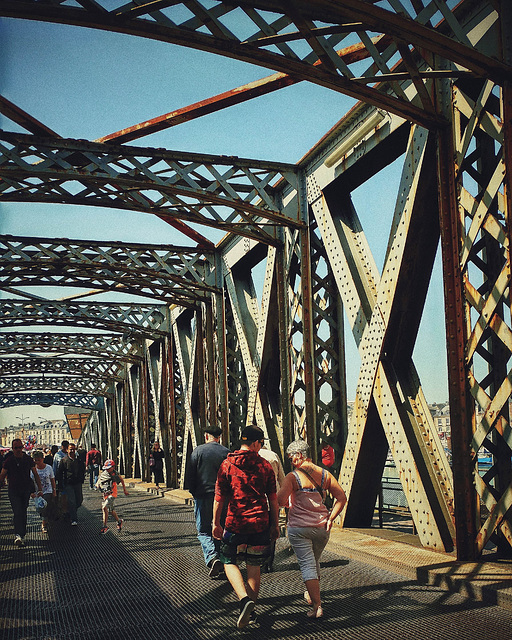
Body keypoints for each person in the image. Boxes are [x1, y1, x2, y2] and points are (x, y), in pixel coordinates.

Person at [213, 425, 279, 629]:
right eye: (261, 443)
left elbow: (219, 498)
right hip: (259, 523)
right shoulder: (265, 466)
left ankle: (243, 600)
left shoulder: (227, 465)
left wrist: (215, 523)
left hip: (235, 523)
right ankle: (251, 611)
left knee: (228, 561)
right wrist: (275, 524)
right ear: (256, 443)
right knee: (254, 566)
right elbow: (273, 499)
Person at [277, 439, 347, 620]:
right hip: (322, 527)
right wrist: (331, 518)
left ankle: (317, 605)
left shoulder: (292, 477)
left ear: (300, 455)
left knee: (307, 564)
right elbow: (341, 498)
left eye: (292, 458)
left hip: (299, 528)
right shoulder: (325, 474)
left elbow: (279, 501)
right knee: (314, 560)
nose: (291, 461)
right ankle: (310, 593)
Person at [185, 426, 229, 578]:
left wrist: (193, 491)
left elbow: (190, 475)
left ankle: (212, 556)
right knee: (220, 528)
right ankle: (221, 559)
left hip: (203, 495)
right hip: (222, 497)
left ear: (206, 436)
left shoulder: (198, 451)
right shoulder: (227, 452)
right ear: (219, 437)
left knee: (203, 529)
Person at [0, 438, 44, 547]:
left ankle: (22, 534)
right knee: (17, 511)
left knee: (23, 511)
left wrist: (40, 489)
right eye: (16, 448)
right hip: (13, 490)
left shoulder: (28, 459)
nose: (18, 450)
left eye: (20, 447)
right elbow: (2, 475)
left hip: (25, 490)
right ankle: (18, 535)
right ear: (12, 449)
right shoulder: (8, 461)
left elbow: (35, 474)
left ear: (23, 447)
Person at [258, 443, 286, 572]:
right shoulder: (273, 455)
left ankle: (257, 560)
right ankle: (268, 562)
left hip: (256, 501)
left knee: (258, 531)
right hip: (272, 500)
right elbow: (282, 479)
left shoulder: (251, 456)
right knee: (272, 530)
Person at [56, 442, 86, 526]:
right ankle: (74, 519)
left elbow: (82, 470)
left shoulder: (79, 460)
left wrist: (81, 479)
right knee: (72, 501)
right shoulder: (64, 460)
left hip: (77, 483)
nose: (72, 451)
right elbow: (60, 472)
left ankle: (71, 511)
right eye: (70, 449)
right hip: (68, 483)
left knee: (79, 500)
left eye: (73, 449)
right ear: (67, 450)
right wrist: (60, 484)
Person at [96, 459, 129, 534]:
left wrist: (125, 490)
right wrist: (97, 485)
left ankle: (105, 527)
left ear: (113, 467)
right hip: (105, 494)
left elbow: (121, 480)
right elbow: (99, 480)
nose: (107, 470)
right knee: (111, 511)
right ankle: (119, 521)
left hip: (112, 494)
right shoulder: (104, 474)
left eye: (109, 468)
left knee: (104, 507)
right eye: (106, 468)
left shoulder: (115, 474)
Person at [30, 449, 56, 534]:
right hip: (37, 492)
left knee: (45, 505)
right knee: (40, 508)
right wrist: (32, 492)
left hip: (47, 490)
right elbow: (30, 481)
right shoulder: (33, 470)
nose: (37, 462)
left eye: (38, 460)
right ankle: (45, 519)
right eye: (35, 460)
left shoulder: (48, 468)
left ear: (42, 459)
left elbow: (52, 480)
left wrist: (54, 490)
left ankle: (44, 524)